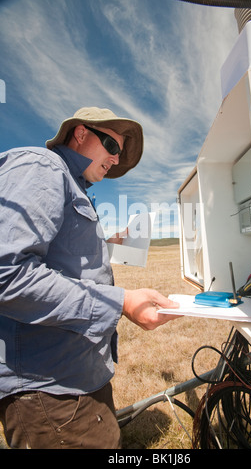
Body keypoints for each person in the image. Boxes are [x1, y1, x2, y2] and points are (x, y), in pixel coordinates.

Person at [0, 107, 180, 449]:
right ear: (80, 133)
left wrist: (107, 245)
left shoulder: (74, 186)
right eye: (112, 146)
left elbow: (64, 261)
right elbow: (7, 273)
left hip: (75, 375)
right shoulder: (43, 166)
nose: (116, 159)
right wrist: (122, 302)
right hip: (49, 389)